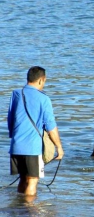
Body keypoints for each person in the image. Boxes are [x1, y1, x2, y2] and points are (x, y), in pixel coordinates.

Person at [7, 66, 64, 196]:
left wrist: (14, 137)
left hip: (16, 146)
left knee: (22, 179)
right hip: (32, 147)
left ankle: (20, 211)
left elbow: (10, 119)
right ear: (41, 80)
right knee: (32, 181)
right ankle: (29, 213)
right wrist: (59, 147)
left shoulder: (16, 94)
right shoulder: (44, 99)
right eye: (44, 81)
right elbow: (51, 127)